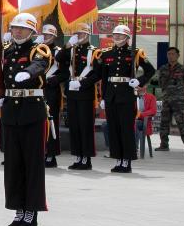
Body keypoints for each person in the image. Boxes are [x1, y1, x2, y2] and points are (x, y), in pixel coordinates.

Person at [0, 13, 50, 226]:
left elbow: (41, 64)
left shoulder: (38, 49)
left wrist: (28, 72)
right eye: (15, 28)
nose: (17, 31)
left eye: (23, 29)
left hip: (31, 110)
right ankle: (18, 211)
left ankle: (31, 213)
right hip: (11, 112)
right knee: (13, 164)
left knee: (31, 164)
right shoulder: (5, 51)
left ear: (32, 32)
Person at [92, 24, 155, 173]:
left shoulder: (135, 53)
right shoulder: (106, 54)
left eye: (120, 35)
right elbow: (103, 76)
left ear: (127, 37)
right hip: (111, 96)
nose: (117, 37)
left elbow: (151, 70)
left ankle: (127, 161)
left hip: (126, 95)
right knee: (113, 129)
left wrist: (139, 80)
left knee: (126, 129)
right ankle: (118, 159)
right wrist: (103, 96)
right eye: (115, 34)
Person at [57, 23, 99, 170]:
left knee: (85, 125)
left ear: (87, 34)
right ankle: (77, 157)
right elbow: (58, 58)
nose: (78, 36)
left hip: (85, 93)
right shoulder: (71, 50)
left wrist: (83, 84)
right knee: (74, 125)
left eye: (80, 34)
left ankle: (86, 158)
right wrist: (68, 44)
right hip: (72, 92)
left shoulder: (94, 52)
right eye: (76, 34)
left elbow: (97, 74)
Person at [153, 47, 184, 152]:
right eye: (169, 54)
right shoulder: (163, 68)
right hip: (166, 99)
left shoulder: (183, 69)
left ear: (178, 56)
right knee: (164, 123)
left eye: (173, 54)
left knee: (182, 123)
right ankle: (164, 145)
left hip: (179, 101)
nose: (170, 56)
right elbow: (159, 82)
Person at [39, 24, 62, 167]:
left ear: (54, 36)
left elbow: (65, 71)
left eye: (48, 35)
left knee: (51, 122)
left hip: (51, 90)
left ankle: (51, 154)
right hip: (37, 89)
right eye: (44, 35)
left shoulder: (58, 52)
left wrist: (53, 80)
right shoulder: (37, 50)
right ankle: (40, 152)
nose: (46, 37)